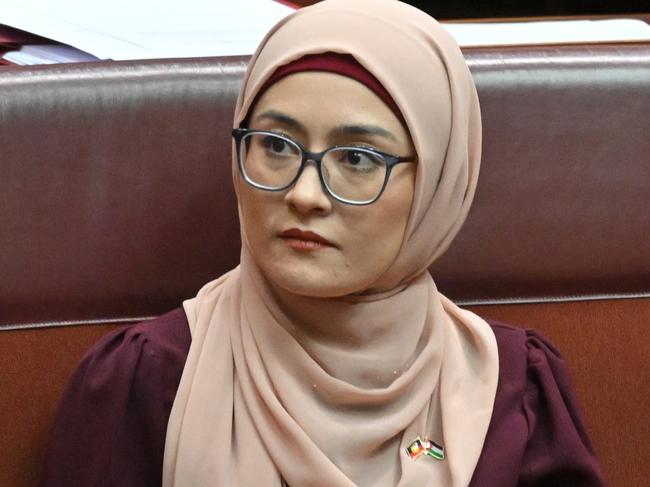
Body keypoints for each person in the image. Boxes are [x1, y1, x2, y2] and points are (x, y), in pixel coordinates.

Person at [40, 1, 605, 485]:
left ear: (437, 182)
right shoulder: (147, 381)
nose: (305, 194)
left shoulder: (515, 391)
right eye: (276, 146)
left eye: (358, 158)